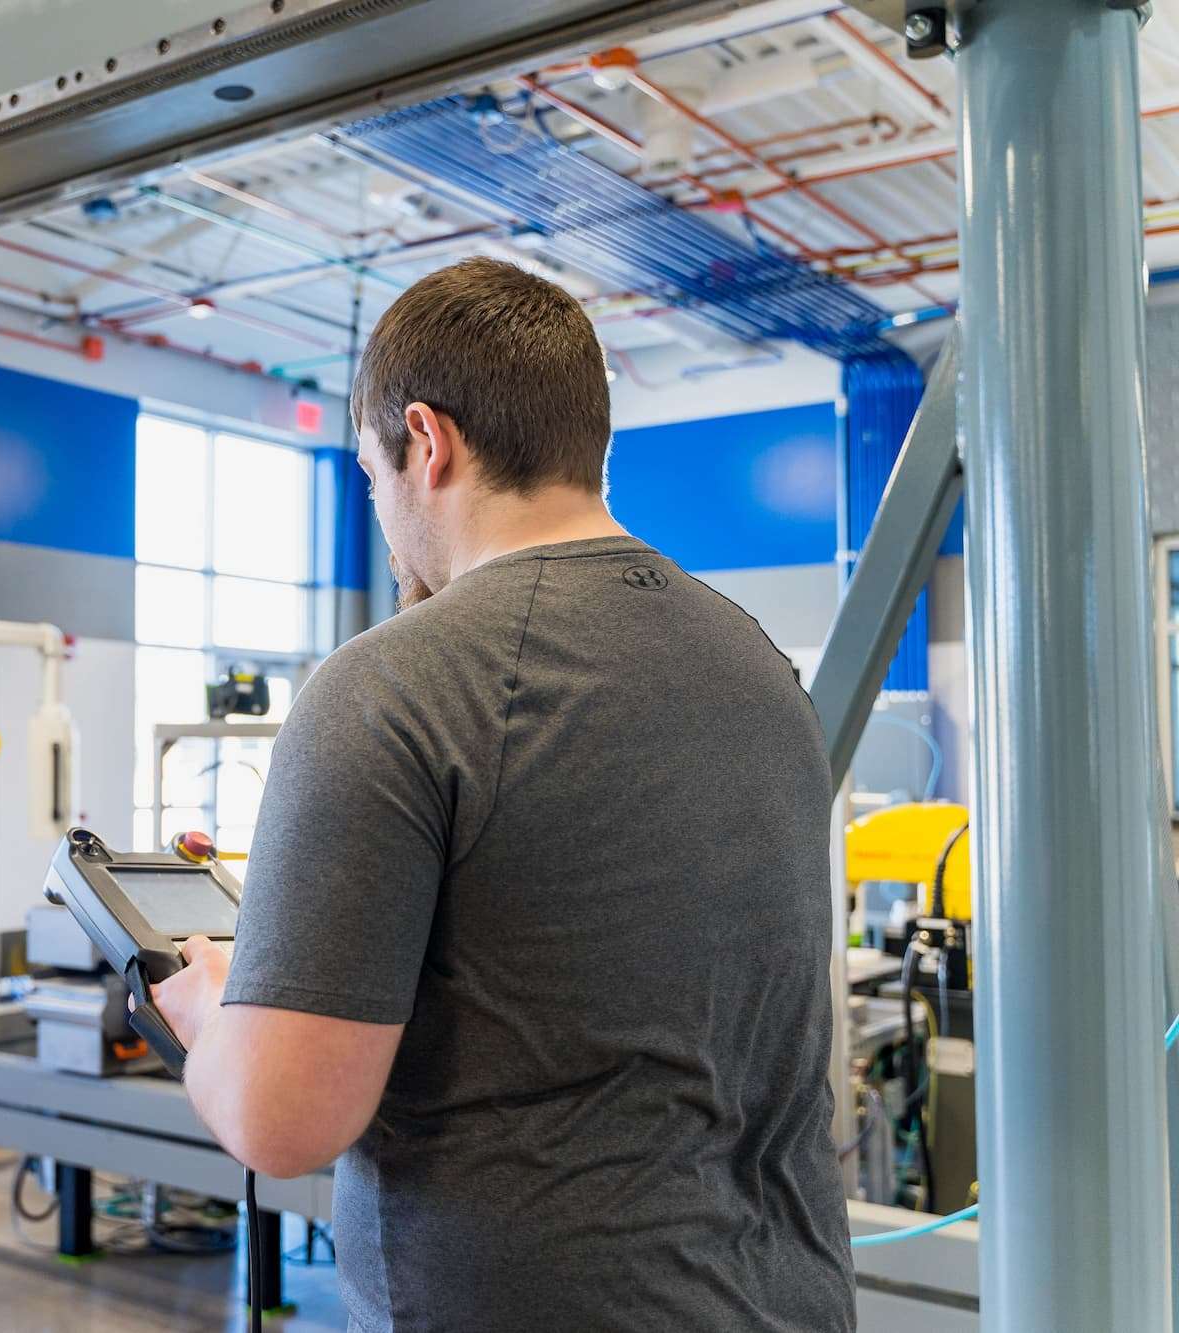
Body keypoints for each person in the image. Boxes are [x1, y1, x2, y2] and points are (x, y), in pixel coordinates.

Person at [150, 257, 855, 1331]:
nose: (382, 510)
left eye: (372, 474)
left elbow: (281, 1119)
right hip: (782, 1298)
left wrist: (209, 1007)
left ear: (424, 443)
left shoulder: (389, 684)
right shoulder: (757, 661)